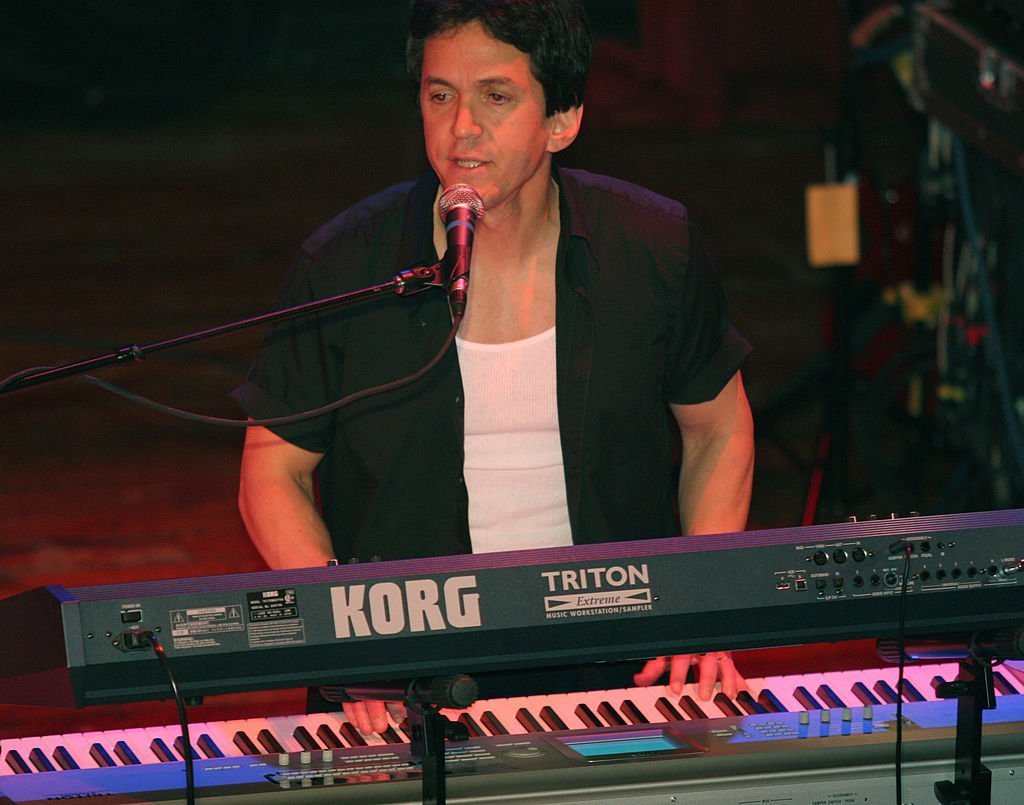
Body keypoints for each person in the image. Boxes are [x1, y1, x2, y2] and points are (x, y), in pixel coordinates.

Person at [235, 0, 755, 736]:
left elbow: (718, 430)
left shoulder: (651, 246)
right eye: (440, 95)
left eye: (496, 97)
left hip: (617, 660)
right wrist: (345, 633)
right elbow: (271, 471)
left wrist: (703, 604)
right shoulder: (348, 261)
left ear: (563, 120)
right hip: (400, 671)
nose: (461, 129)